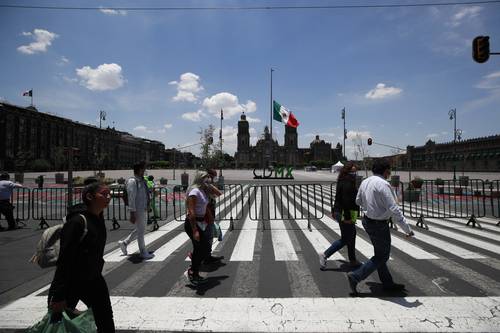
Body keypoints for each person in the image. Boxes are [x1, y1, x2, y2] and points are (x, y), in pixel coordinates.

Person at [48, 178, 115, 332]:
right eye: (104, 194)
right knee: (57, 324)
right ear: (90, 197)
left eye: (109, 194)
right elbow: (64, 260)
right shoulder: (77, 222)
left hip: (93, 279)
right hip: (71, 282)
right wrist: (58, 296)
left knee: (105, 318)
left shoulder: (98, 218)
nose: (109, 197)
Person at [347, 159, 414, 295]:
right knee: (382, 256)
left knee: (380, 254)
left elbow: (358, 200)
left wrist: (370, 205)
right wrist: (407, 229)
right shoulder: (384, 184)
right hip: (379, 224)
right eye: (389, 170)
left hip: (367, 221)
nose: (390, 173)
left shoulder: (366, 181)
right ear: (386, 171)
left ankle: (388, 283)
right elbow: (394, 208)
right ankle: (356, 276)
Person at [319, 162, 362, 270]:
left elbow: (338, 197)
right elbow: (346, 200)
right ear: (348, 171)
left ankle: (352, 260)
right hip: (345, 213)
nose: (355, 173)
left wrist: (334, 211)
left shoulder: (342, 180)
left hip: (342, 211)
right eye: (353, 171)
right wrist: (347, 217)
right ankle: (325, 255)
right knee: (346, 238)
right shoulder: (348, 182)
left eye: (355, 171)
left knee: (351, 236)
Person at [184, 171, 221, 285]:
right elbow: (191, 212)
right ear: (200, 179)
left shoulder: (202, 191)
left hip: (202, 222)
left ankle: (194, 272)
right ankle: (192, 271)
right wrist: (195, 230)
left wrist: (208, 185)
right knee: (203, 248)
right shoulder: (194, 192)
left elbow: (218, 193)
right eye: (205, 178)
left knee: (201, 249)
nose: (208, 180)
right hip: (193, 223)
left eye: (208, 178)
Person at [118, 161, 154, 260]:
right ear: (139, 169)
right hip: (138, 209)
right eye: (143, 169)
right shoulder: (132, 181)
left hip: (143, 208)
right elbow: (131, 198)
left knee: (140, 229)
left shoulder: (141, 180)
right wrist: (132, 212)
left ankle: (125, 243)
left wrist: (148, 205)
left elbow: (144, 195)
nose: (145, 171)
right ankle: (143, 252)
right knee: (141, 231)